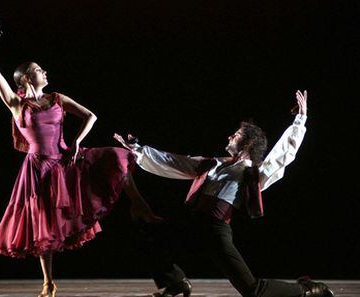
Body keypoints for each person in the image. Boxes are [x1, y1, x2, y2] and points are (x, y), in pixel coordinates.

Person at [0, 17, 161, 297]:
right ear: (28, 77)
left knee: (119, 157)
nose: (45, 72)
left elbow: (91, 116)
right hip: (38, 169)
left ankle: (139, 205)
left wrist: (77, 141)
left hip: (65, 160)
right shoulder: (18, 105)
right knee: (44, 224)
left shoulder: (56, 98)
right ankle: (48, 282)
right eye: (39, 70)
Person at [114, 90, 334, 297]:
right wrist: (138, 150)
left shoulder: (253, 173)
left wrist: (300, 119)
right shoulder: (213, 164)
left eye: (237, 134)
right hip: (193, 225)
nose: (230, 136)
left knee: (252, 290)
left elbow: (283, 154)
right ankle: (175, 282)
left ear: (248, 143)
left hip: (216, 233)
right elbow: (174, 161)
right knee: (146, 234)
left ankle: (306, 290)